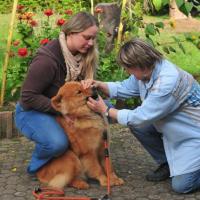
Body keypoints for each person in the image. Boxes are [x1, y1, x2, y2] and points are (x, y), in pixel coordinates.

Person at [82, 38, 200, 194]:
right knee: (139, 127)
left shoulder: (168, 81)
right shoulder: (148, 70)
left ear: (140, 65)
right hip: (175, 127)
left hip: (193, 133)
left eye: (128, 68)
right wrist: (100, 84)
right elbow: (125, 88)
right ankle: (167, 163)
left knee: (182, 186)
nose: (127, 72)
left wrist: (105, 110)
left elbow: (141, 116)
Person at [15, 11, 99, 175]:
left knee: (104, 110)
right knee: (57, 143)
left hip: (61, 108)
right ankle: (38, 168)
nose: (91, 43)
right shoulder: (46, 61)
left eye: (94, 38)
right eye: (86, 37)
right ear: (70, 33)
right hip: (31, 110)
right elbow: (28, 97)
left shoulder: (83, 56)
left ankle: (84, 162)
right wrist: (64, 111)